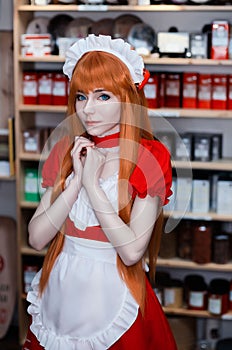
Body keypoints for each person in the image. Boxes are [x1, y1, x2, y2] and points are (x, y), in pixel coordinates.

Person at [23, 34, 177, 349]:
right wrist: (75, 182)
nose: (88, 110)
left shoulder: (150, 156)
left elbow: (132, 251)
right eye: (81, 96)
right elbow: (36, 239)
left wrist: (93, 186)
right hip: (62, 289)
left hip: (115, 291)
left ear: (127, 98)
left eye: (103, 97)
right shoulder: (67, 149)